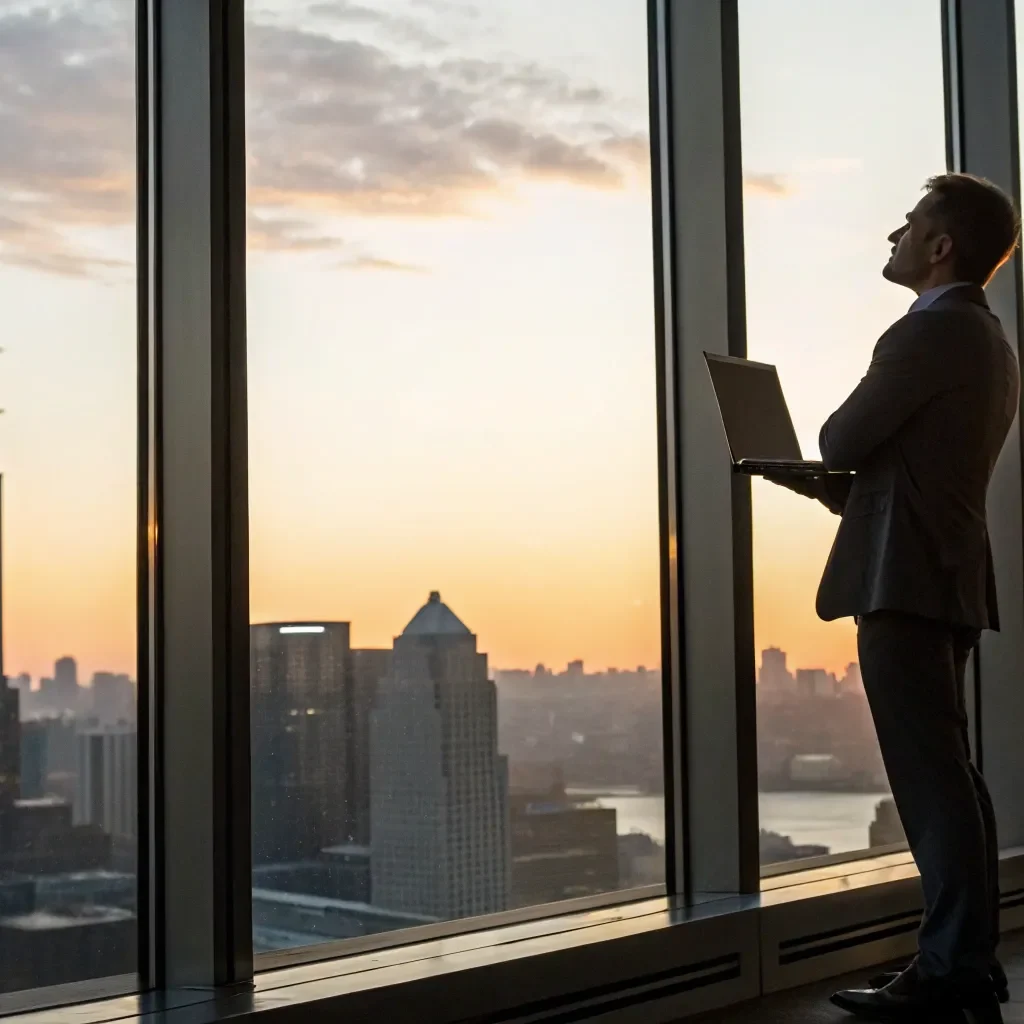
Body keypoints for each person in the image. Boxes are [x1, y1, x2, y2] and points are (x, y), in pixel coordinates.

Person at [767, 173, 1020, 1023]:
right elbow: (915, 474)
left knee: (930, 778)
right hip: (940, 569)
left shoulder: (924, 335)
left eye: (909, 225)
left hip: (904, 580)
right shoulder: (987, 339)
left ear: (941, 245)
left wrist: (828, 466)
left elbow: (841, 438)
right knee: (952, 776)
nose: (895, 237)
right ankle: (965, 962)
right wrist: (828, 490)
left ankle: (950, 967)